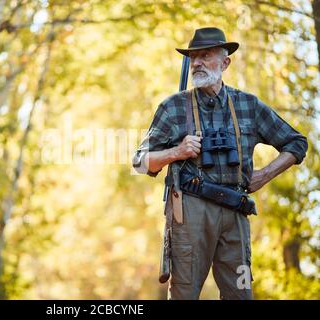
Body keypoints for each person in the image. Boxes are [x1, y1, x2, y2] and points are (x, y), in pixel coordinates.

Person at [132, 27, 308, 300]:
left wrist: (264, 175)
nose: (198, 63)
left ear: (225, 63)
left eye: (205, 55)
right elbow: (141, 162)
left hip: (236, 212)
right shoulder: (173, 107)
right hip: (190, 211)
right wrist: (176, 152)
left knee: (242, 294)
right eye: (194, 57)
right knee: (183, 295)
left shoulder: (248, 105)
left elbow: (297, 143)